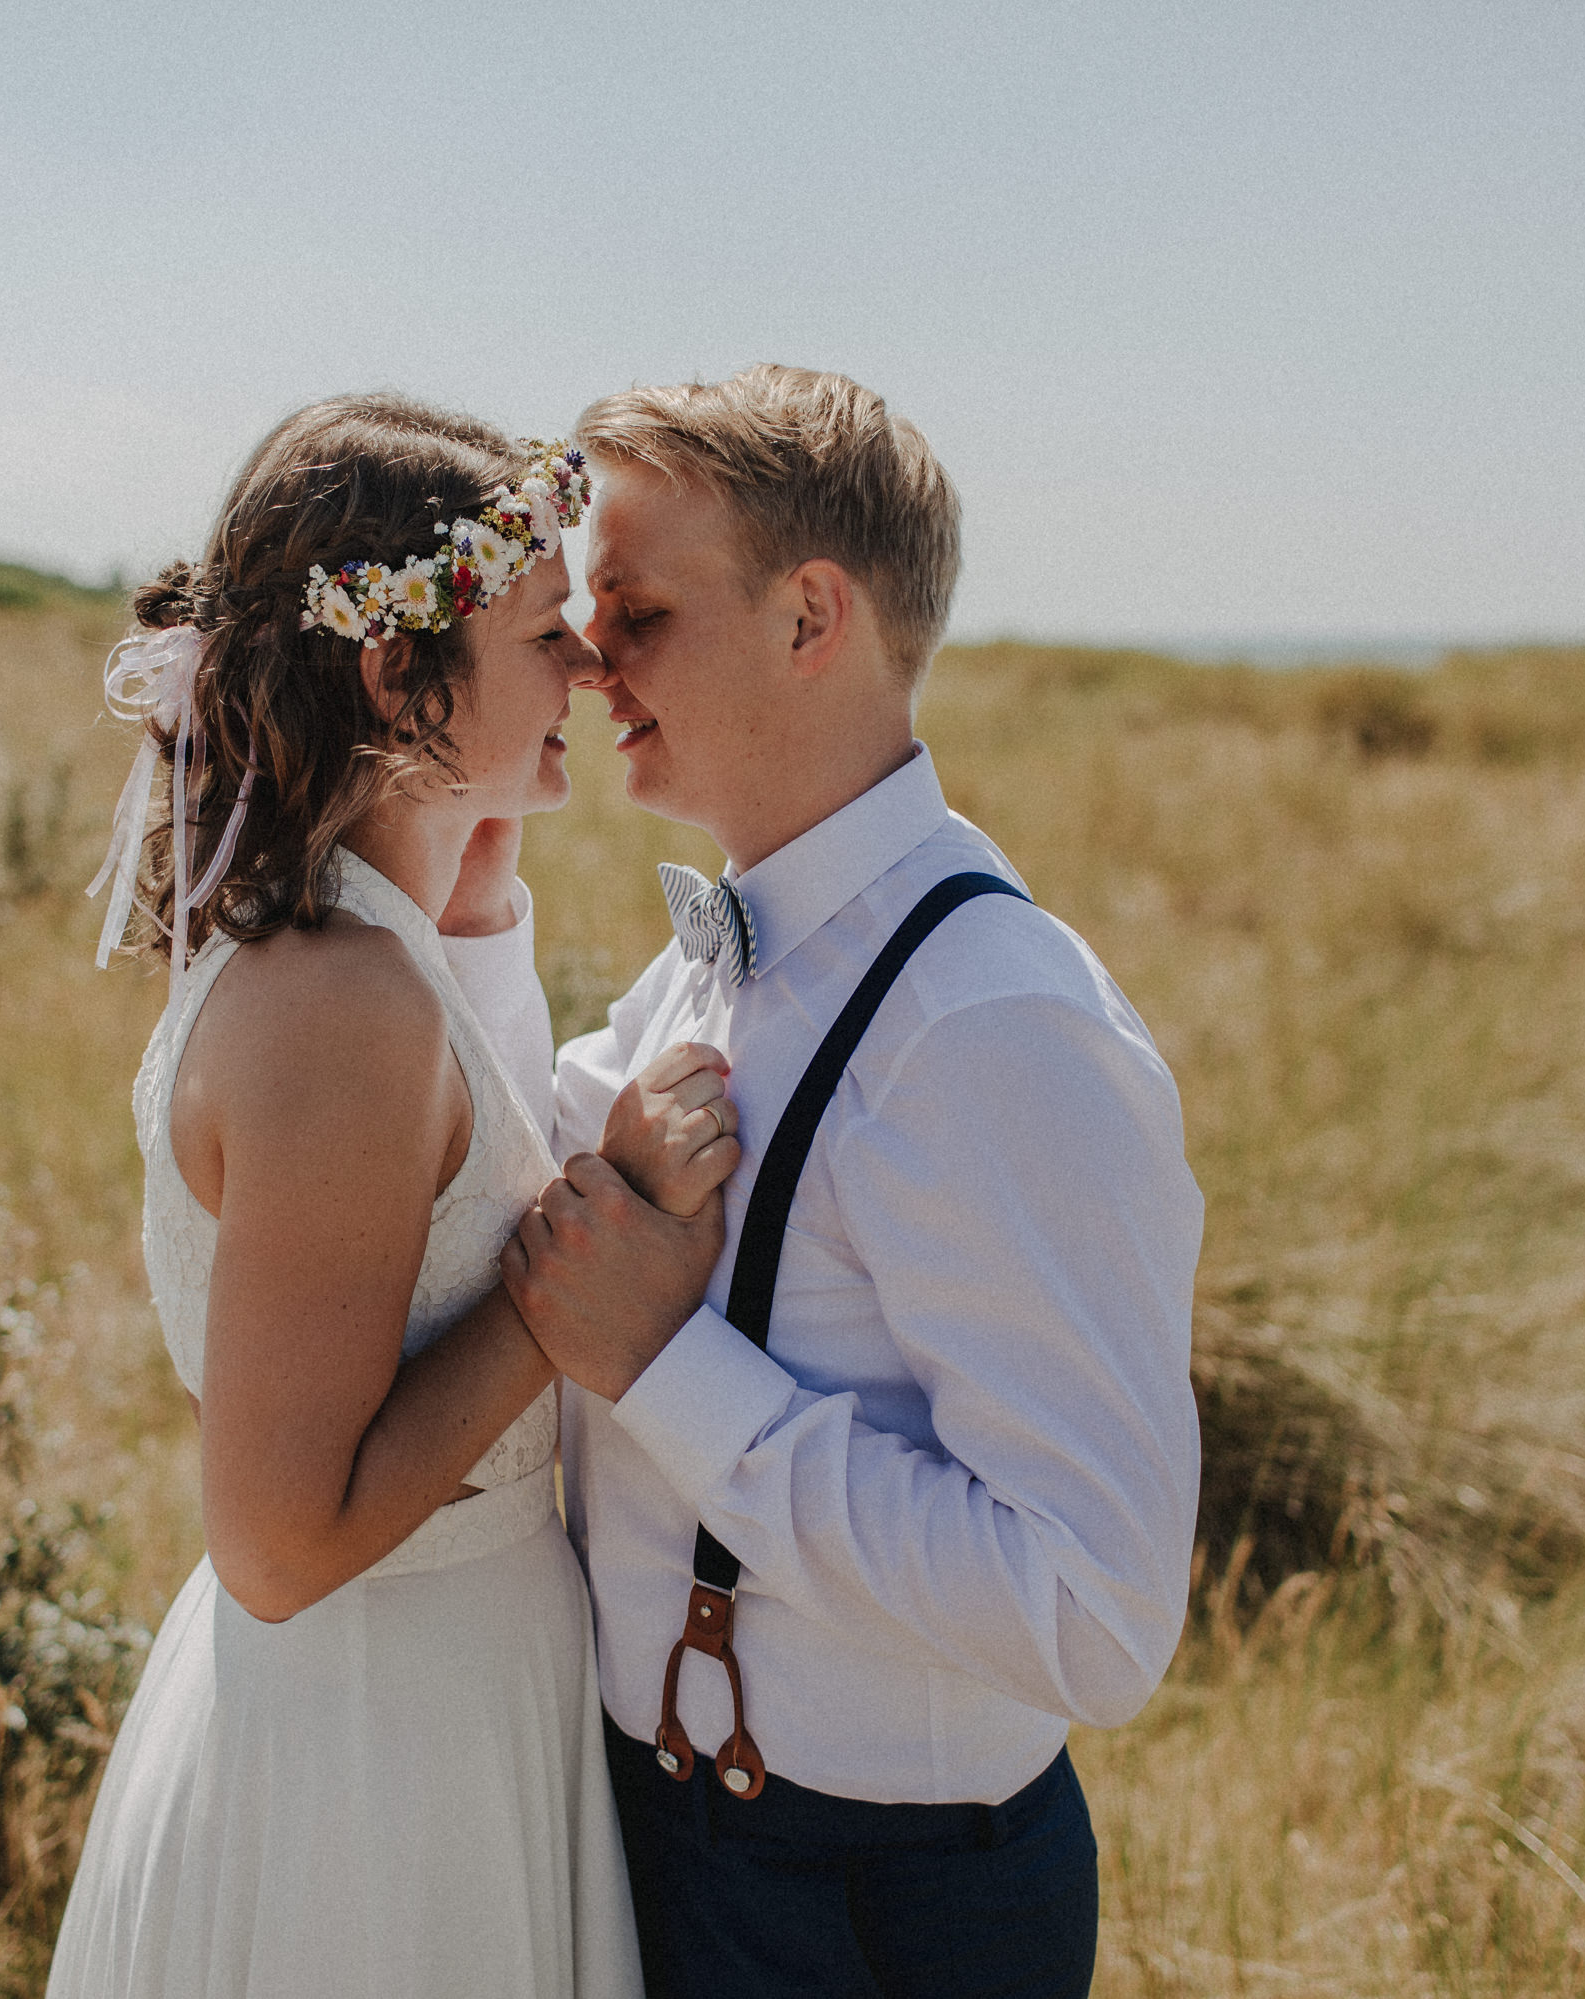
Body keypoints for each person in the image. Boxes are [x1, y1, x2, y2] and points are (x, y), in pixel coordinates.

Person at [498, 366, 1207, 1998]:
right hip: (665, 1843)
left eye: (642, 609)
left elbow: (1090, 1617)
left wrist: (669, 1374)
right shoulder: (719, 955)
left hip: (872, 1912)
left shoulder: (994, 1024)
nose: (592, 655)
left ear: (813, 615)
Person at [47, 395, 734, 1999]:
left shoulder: (367, 942)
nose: (586, 670)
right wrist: (590, 1251)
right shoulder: (344, 1006)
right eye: (543, 632)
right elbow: (280, 1546)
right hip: (380, 1737)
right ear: (391, 671)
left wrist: (479, 880)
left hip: (433, 1681)